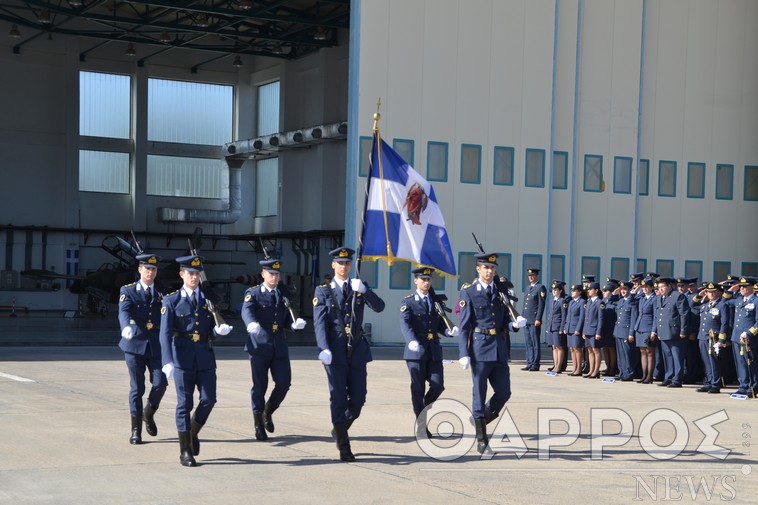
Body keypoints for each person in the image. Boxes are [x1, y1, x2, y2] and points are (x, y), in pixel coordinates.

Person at [312, 247, 385, 462]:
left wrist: (364, 291)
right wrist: (323, 347)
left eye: (347, 263)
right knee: (339, 399)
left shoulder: (358, 287)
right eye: (340, 263)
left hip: (357, 349)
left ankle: (339, 428)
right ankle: (344, 446)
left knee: (358, 399)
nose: (344, 267)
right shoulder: (323, 291)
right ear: (333, 265)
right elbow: (319, 323)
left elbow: (380, 307)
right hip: (334, 349)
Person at [159, 255, 233, 467]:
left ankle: (192, 433)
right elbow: (164, 333)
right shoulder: (171, 301)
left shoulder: (208, 300)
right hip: (182, 356)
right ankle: (185, 451)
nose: (194, 277)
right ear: (182, 274)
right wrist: (167, 360)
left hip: (205, 355)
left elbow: (210, 328)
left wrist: (218, 332)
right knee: (185, 403)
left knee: (209, 399)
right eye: (190, 273)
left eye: (197, 274)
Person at [458, 253, 526, 454]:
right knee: (479, 393)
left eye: (492, 268)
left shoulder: (501, 291)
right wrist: (463, 352)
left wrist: (514, 325)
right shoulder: (469, 293)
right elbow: (464, 326)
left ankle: (480, 419)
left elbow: (504, 318)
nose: (489, 271)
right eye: (486, 268)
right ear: (478, 269)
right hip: (479, 348)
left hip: (499, 347)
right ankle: (482, 440)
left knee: (504, 392)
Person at [241, 258, 306, 441]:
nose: (275, 277)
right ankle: (258, 424)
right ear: (263, 274)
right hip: (259, 345)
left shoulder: (283, 294)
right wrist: (251, 323)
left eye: (277, 274)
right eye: (271, 273)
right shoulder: (253, 293)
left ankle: (267, 412)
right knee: (260, 386)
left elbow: (285, 318)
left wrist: (294, 325)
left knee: (284, 383)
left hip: (279, 345)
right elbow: (247, 311)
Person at [400, 267, 459, 437]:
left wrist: (449, 331)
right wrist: (411, 340)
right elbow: (406, 324)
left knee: (438, 385)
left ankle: (422, 411)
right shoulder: (408, 302)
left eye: (428, 280)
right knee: (417, 389)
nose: (426, 282)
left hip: (433, 350)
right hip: (416, 351)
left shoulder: (436, 302)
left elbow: (440, 325)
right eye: (423, 279)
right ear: (416, 281)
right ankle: (421, 425)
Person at [117, 253, 167, 445]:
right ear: (140, 270)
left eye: (153, 269)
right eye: (147, 268)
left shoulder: (163, 291)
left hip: (156, 345)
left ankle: (149, 413)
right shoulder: (128, 290)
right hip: (134, 344)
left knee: (160, 384)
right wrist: (126, 327)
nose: (150, 272)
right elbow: (124, 311)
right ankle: (136, 430)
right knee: (137, 388)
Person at [690, 282, 730, 394]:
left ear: (718, 292)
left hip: (714, 337)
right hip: (703, 336)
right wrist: (699, 295)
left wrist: (721, 340)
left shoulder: (722, 305)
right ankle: (708, 383)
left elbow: (724, 323)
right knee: (705, 361)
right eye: (708, 292)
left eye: (712, 292)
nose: (710, 294)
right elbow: (692, 305)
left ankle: (715, 384)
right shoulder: (705, 305)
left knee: (713, 361)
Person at [651, 277, 690, 388]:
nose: (661, 289)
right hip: (663, 331)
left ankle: (677, 379)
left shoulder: (678, 296)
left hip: (674, 332)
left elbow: (684, 314)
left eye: (663, 287)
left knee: (677, 356)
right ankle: (669, 377)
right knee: (667, 356)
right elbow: (658, 315)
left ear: (669, 286)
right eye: (659, 287)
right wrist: (657, 330)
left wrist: (683, 330)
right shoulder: (659, 298)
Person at [723, 276, 758, 396]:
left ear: (752, 287)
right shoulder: (738, 300)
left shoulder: (756, 301)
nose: (742, 288)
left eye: (745, 286)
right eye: (741, 286)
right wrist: (730, 290)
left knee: (750, 362)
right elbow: (724, 302)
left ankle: (752, 386)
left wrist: (749, 333)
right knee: (740, 363)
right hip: (736, 336)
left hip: (749, 338)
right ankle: (743, 385)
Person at [610, 280, 639, 381]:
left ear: (630, 290)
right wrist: (614, 293)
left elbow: (633, 319)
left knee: (627, 354)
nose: (622, 291)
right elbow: (609, 303)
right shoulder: (620, 301)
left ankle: (629, 373)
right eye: (622, 289)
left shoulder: (633, 302)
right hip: (618, 331)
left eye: (625, 289)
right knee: (620, 354)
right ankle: (622, 372)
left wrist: (631, 333)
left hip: (626, 332)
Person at [633, 277, 658, 383]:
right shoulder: (642, 298)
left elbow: (656, 316)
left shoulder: (655, 299)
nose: (644, 289)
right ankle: (644, 375)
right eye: (643, 287)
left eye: (647, 287)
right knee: (642, 351)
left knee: (649, 352)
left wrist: (653, 331)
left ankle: (649, 376)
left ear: (652, 287)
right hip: (640, 327)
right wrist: (636, 291)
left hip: (648, 327)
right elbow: (632, 301)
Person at [521, 268, 546, 371]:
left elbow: (541, 304)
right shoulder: (528, 288)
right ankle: (529, 362)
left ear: (536, 276)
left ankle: (535, 364)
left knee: (535, 342)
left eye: (532, 275)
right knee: (528, 342)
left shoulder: (540, 287)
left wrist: (538, 318)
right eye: (529, 276)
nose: (530, 277)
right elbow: (525, 304)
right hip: (527, 318)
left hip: (534, 319)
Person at [545, 280, 568, 374]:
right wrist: (547, 327)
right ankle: (555, 365)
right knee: (554, 346)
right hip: (551, 326)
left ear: (560, 291)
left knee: (559, 346)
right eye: (553, 290)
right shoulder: (552, 301)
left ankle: (559, 366)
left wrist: (562, 328)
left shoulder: (562, 301)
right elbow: (550, 315)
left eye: (556, 290)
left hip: (558, 326)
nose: (554, 291)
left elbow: (564, 316)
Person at [582, 282, 604, 379]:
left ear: (596, 290)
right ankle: (591, 370)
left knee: (596, 350)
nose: (589, 291)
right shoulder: (589, 301)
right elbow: (586, 318)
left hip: (595, 330)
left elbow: (601, 319)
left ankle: (596, 371)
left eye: (590, 289)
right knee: (589, 350)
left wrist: (598, 332)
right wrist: (584, 331)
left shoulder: (600, 303)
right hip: (588, 330)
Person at [563, 283, 586, 376]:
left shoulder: (582, 302)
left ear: (579, 292)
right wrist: (565, 327)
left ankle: (579, 369)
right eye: (572, 291)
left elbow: (582, 317)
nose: (572, 292)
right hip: (569, 328)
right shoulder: (571, 302)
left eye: (574, 291)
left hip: (576, 328)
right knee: (572, 349)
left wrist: (578, 329)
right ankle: (574, 367)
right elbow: (568, 316)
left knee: (577, 349)